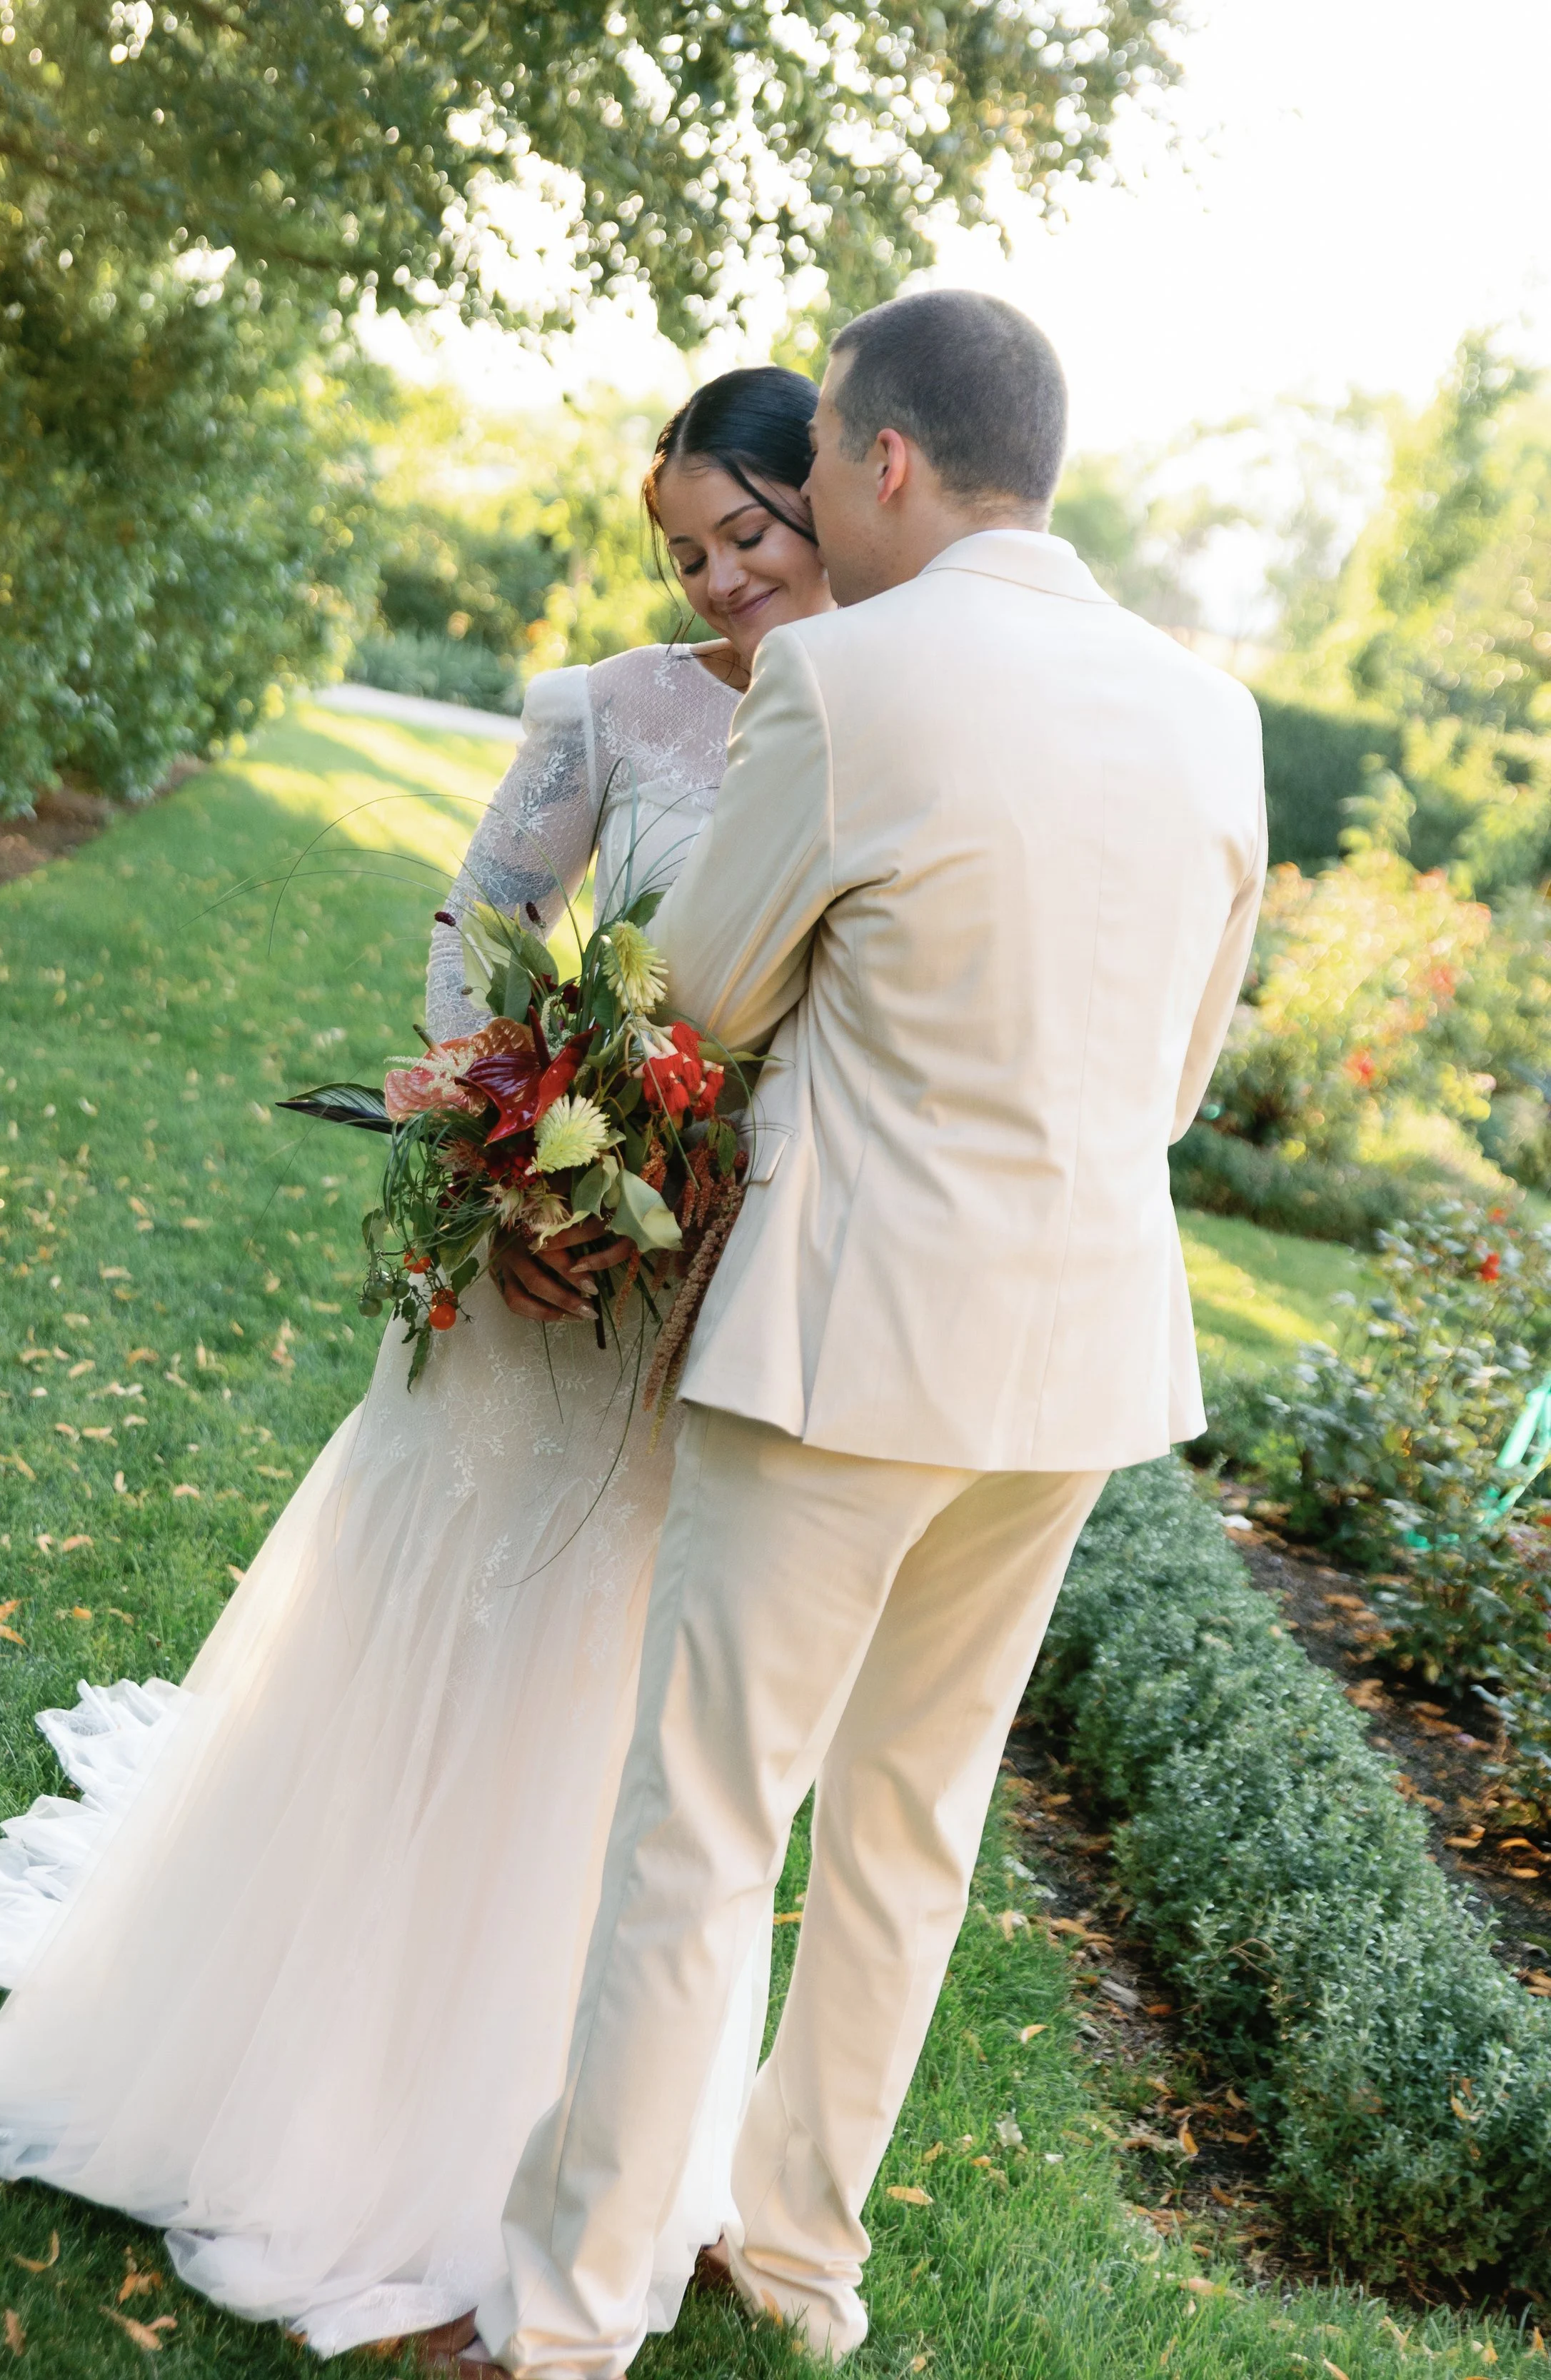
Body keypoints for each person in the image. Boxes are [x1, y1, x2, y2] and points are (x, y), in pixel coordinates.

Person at [0, 367, 835, 2357]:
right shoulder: (608, 709)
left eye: (748, 529)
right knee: (441, 1631)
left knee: (623, 1702)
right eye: (687, 549)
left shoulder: (894, 730)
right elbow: (480, 922)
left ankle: (571, 2122)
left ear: (832, 491)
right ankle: (306, 2083)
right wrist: (522, 1129)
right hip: (550, 1264)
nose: (720, 576)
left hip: (722, 1292)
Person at [478, 290, 1268, 2380]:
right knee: (912, 1824)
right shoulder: (1212, 712)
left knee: (703, 1826)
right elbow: (1177, 1079)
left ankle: (558, 2323)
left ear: (887, 460)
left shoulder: (841, 675)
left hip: (849, 1336)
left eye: (816, 458)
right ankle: (798, 2257)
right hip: (1078, 1355)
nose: (805, 497)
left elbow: (710, 999)